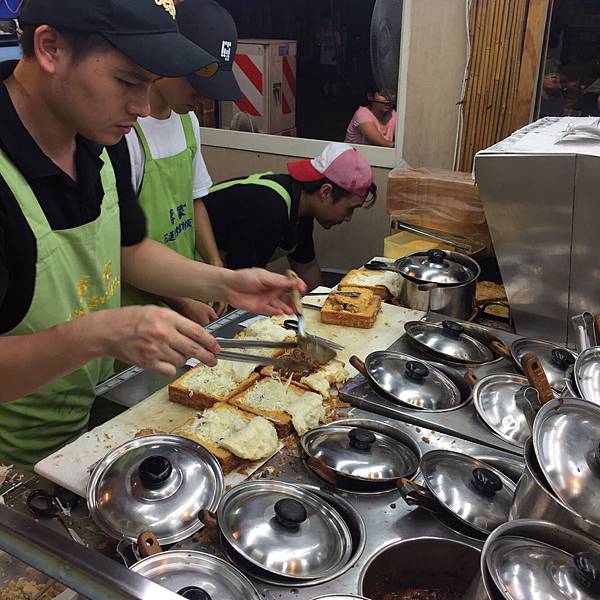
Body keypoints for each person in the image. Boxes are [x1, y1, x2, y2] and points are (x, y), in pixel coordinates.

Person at [0, 0, 304, 470]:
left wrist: (225, 282)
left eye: (148, 84)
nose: (142, 108)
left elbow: (129, 248)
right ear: (50, 47)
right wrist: (99, 333)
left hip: (79, 423)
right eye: (127, 81)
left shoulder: (99, 141)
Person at [121, 0, 243, 325]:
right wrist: (184, 301)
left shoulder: (188, 123)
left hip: (187, 288)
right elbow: (121, 248)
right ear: (167, 56)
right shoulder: (124, 131)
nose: (204, 99)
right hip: (141, 310)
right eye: (197, 84)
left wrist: (216, 265)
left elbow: (195, 199)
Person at [198, 142, 377, 290]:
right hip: (194, 262)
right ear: (325, 193)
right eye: (350, 208)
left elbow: (306, 267)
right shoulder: (269, 208)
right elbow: (241, 286)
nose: (348, 218)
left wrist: (324, 307)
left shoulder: (302, 208)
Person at [317, 16, 342, 98]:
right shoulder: (322, 33)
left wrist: (336, 55)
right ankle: (326, 95)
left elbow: (339, 46)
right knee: (325, 80)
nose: (327, 24)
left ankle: (335, 96)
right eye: (326, 22)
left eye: (329, 22)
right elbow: (318, 43)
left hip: (333, 61)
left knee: (334, 80)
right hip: (324, 60)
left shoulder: (336, 33)